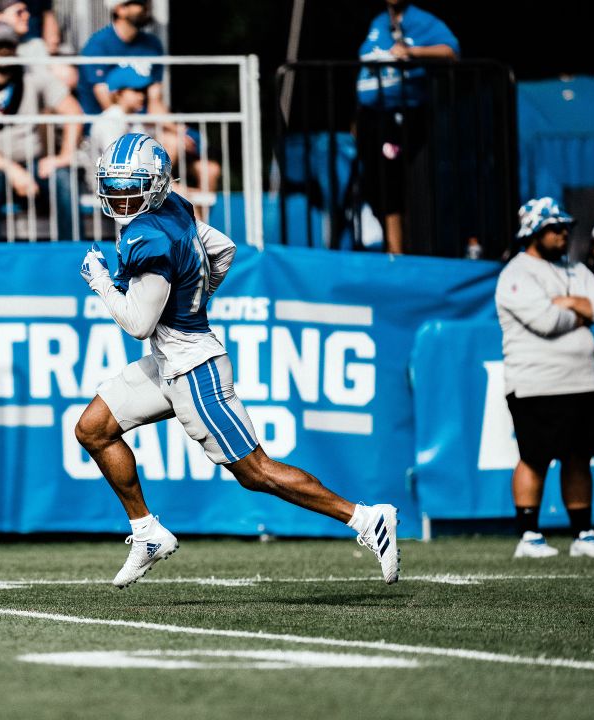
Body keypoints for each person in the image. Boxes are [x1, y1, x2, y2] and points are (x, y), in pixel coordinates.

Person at [75, 132, 400, 588]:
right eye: (116, 186)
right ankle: (146, 531)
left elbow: (138, 324)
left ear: (156, 184)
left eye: (132, 186)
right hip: (168, 362)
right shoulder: (174, 209)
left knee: (256, 472)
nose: (121, 196)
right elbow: (223, 249)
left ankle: (366, 518)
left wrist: (102, 283)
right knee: (93, 429)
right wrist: (193, 298)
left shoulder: (147, 237)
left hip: (192, 369)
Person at [495, 198, 594, 559]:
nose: (564, 233)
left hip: (584, 382)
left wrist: (567, 303)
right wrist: (582, 308)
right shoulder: (515, 274)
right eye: (554, 228)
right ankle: (529, 536)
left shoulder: (575, 269)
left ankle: (584, 534)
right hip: (535, 384)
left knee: (579, 457)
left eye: (565, 227)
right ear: (534, 233)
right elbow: (546, 322)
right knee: (534, 458)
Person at [78, 0, 219, 215]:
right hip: (119, 140)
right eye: (138, 2)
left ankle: (197, 234)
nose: (146, 6)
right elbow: (110, 106)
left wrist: (179, 130)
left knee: (210, 169)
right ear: (120, 8)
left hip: (142, 129)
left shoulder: (152, 44)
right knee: (173, 173)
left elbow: (155, 103)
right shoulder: (97, 46)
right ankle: (172, 216)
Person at [0, 22, 83, 241]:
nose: (4, 51)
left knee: (64, 179)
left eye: (10, 45)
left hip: (32, 161)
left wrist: (63, 157)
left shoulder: (31, 75)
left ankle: (76, 255)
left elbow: (74, 112)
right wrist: (14, 171)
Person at [354, 0, 458, 254]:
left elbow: (451, 51)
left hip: (400, 114)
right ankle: (390, 246)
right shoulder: (379, 21)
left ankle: (397, 252)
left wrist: (413, 53)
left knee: (391, 180)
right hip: (371, 114)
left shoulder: (422, 21)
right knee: (371, 183)